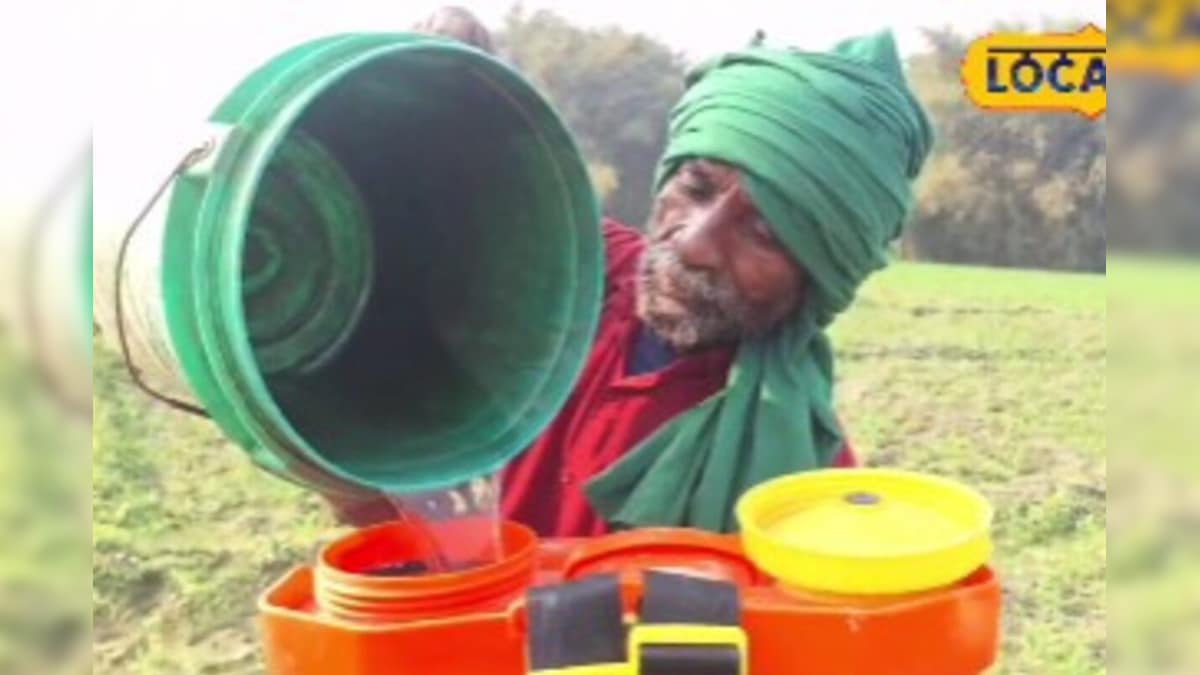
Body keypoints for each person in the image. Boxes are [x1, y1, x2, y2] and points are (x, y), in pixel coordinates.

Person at [335, 16, 934, 538]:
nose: (693, 242)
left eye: (766, 233)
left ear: (819, 277)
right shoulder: (561, 272)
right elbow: (455, 200)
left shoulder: (801, 486)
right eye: (695, 188)